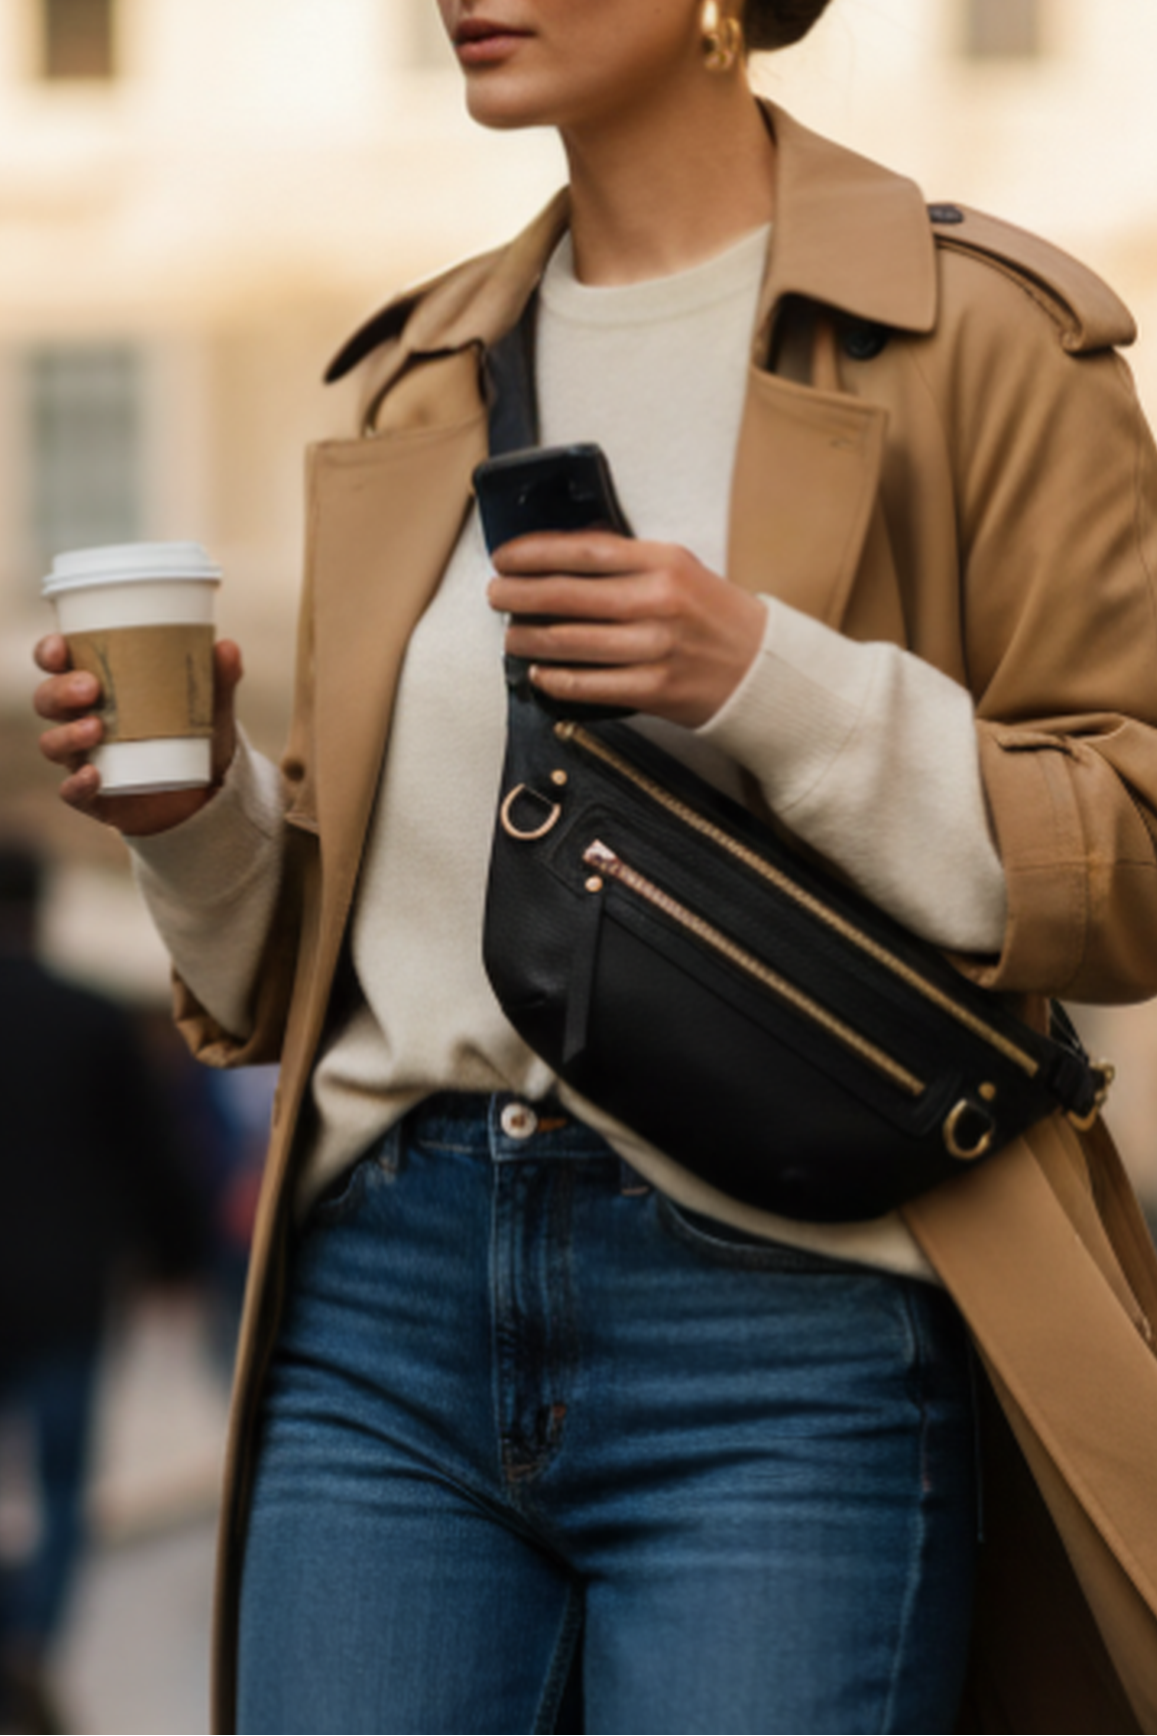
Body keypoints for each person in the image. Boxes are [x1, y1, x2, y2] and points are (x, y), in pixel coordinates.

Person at [31, 2, 1157, 1731]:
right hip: (381, 1309)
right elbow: (306, 965)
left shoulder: (979, 338)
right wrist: (191, 822)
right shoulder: (419, 375)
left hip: (787, 1320)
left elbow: (1131, 851)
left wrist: (766, 679)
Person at [0, 845, 204, 1736]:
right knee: (61, 1489)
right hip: (65, 1291)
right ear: (40, 908)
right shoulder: (90, 1019)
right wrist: (175, 1260)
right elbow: (153, 1153)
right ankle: (32, 1642)